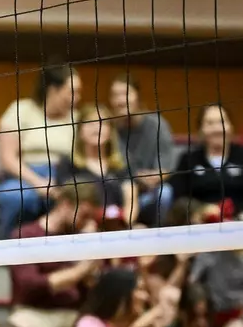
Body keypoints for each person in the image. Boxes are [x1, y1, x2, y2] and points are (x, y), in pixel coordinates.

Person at [7, 182, 103, 327]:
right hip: (34, 311)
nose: (86, 222)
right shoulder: (26, 234)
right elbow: (28, 285)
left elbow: (94, 288)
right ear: (66, 204)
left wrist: (91, 253)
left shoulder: (81, 239)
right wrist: (80, 271)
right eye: (84, 215)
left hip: (73, 313)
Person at [0, 64, 79, 238]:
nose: (76, 98)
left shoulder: (77, 118)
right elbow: (8, 158)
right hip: (25, 176)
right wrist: (38, 182)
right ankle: (5, 249)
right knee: (14, 198)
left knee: (74, 202)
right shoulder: (21, 110)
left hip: (64, 177)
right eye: (72, 91)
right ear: (53, 89)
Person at [107, 73, 178, 222]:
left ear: (137, 96)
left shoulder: (157, 125)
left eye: (125, 94)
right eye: (115, 95)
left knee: (165, 193)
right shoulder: (108, 129)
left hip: (148, 193)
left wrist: (154, 177)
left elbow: (165, 169)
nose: (121, 100)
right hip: (118, 194)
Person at [55, 104, 136, 223]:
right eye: (90, 123)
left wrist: (125, 226)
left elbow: (131, 202)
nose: (96, 128)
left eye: (102, 123)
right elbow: (65, 205)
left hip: (116, 226)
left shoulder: (121, 164)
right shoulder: (68, 163)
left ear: (110, 131)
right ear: (80, 131)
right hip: (81, 228)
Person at [169, 103, 243, 210]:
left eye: (222, 122)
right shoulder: (189, 159)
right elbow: (179, 198)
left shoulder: (241, 155)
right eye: (210, 123)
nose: (217, 129)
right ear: (200, 130)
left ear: (231, 126)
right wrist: (202, 210)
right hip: (199, 223)